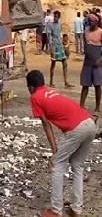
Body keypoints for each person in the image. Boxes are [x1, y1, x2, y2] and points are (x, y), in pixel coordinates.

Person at [27, 70, 96, 217]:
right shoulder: (49, 91)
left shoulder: (35, 97)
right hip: (90, 123)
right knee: (77, 166)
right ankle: (76, 208)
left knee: (57, 165)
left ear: (31, 86)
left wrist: (54, 151)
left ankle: (56, 210)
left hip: (76, 129)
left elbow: (46, 125)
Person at [80, 14, 102, 112]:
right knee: (85, 85)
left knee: (98, 86)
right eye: (89, 21)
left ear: (96, 22)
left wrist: (100, 60)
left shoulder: (100, 32)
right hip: (87, 62)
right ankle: (81, 105)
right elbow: (85, 44)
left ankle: (97, 107)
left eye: (92, 21)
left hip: (97, 63)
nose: (90, 22)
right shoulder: (86, 31)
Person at [47, 11, 71, 88]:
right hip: (54, 45)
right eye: (55, 16)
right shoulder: (50, 25)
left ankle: (66, 81)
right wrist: (51, 47)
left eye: (57, 16)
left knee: (65, 63)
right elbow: (49, 36)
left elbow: (60, 35)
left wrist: (64, 44)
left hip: (60, 45)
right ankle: (51, 81)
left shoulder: (59, 24)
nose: (56, 18)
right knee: (53, 64)